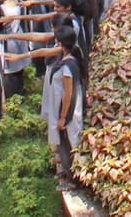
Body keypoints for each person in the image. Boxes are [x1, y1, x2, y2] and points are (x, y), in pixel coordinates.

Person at [40, 28, 85, 188]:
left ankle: (73, 180)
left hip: (67, 112)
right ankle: (69, 174)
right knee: (65, 144)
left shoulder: (67, 66)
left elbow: (68, 94)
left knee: (67, 145)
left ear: (61, 44)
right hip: (64, 111)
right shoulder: (69, 60)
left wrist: (63, 117)